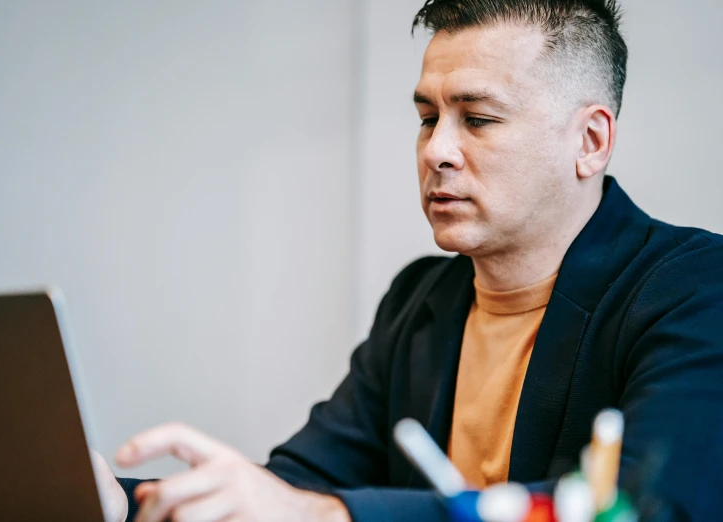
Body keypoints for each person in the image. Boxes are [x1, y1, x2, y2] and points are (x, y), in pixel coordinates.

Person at [94, 1, 723, 521]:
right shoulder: (422, 298)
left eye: (476, 119)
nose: (436, 150)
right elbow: (298, 486)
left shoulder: (694, 286)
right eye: (427, 118)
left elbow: (649, 505)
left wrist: (327, 516)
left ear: (590, 141)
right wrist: (120, 501)